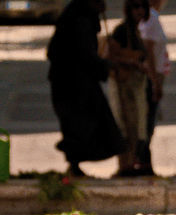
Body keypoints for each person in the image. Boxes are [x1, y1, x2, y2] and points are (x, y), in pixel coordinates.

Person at [48, 0, 125, 177]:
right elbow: (85, 55)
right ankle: (74, 165)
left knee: (86, 124)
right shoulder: (78, 20)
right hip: (72, 85)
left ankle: (75, 165)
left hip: (78, 83)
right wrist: (106, 65)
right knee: (80, 125)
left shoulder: (83, 16)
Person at [108, 0, 156, 176]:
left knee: (137, 127)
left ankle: (131, 163)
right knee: (124, 126)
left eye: (143, 7)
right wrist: (134, 63)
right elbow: (110, 55)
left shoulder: (138, 31)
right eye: (136, 7)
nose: (140, 11)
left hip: (137, 87)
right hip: (123, 86)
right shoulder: (122, 31)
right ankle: (124, 165)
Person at [137, 0, 170, 175]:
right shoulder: (151, 19)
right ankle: (142, 162)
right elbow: (148, 51)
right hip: (151, 77)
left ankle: (143, 161)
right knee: (147, 121)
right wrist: (155, 82)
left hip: (154, 76)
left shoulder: (150, 18)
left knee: (149, 120)